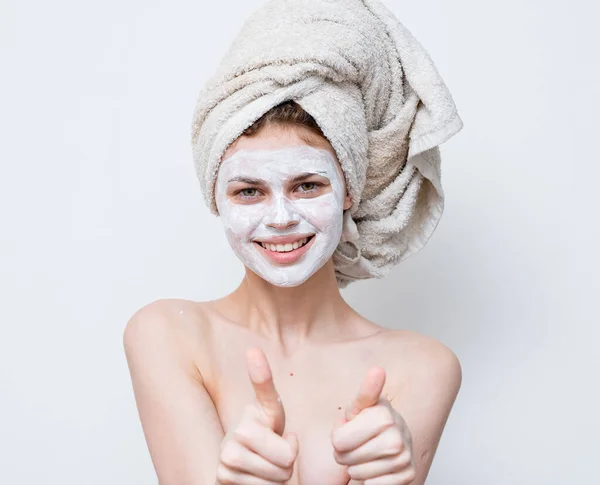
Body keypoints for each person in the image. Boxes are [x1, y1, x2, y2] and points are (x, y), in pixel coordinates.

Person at [123, 101, 462, 485]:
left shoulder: (422, 366)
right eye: (249, 191)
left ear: (348, 188)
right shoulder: (167, 334)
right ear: (215, 199)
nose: (281, 218)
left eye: (307, 186)